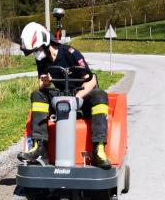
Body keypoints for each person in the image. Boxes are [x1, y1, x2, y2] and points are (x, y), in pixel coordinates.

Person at [17, 22, 112, 169]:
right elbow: (42, 84)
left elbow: (91, 80)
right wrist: (46, 81)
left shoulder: (70, 53)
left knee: (100, 95)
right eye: (33, 51)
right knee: (38, 95)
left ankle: (98, 150)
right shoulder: (42, 60)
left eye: (36, 49)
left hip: (82, 96)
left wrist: (77, 98)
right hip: (62, 97)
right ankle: (39, 148)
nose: (36, 53)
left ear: (45, 43)